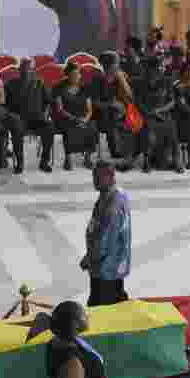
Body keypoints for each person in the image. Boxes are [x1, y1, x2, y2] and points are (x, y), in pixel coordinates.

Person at [81, 161, 131, 307]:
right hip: (108, 264)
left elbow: (106, 239)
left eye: (98, 177)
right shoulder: (109, 194)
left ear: (110, 176)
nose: (94, 181)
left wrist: (90, 258)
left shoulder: (113, 203)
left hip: (107, 267)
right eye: (93, 176)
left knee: (103, 307)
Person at [5, 57, 56, 173]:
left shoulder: (39, 83)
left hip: (37, 119)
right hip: (19, 119)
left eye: (29, 69)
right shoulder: (11, 84)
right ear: (19, 70)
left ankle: (44, 161)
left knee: (49, 127)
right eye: (23, 69)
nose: (26, 71)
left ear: (33, 70)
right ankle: (20, 162)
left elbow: (48, 102)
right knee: (16, 129)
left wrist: (45, 114)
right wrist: (12, 115)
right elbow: (5, 105)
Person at [135, 54, 181, 173]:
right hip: (147, 114)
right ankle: (147, 161)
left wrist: (159, 111)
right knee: (148, 131)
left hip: (163, 113)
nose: (161, 69)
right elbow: (138, 103)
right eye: (159, 67)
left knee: (172, 129)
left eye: (161, 67)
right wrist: (149, 112)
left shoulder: (167, 81)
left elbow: (172, 102)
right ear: (150, 69)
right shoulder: (141, 83)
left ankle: (177, 160)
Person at [88, 51, 133, 161]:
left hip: (120, 113)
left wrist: (122, 80)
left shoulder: (121, 77)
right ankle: (116, 150)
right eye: (116, 63)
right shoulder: (97, 80)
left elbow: (130, 96)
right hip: (101, 115)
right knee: (111, 114)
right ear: (109, 65)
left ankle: (128, 150)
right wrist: (110, 104)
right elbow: (94, 103)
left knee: (126, 117)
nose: (118, 65)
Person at [52, 62, 99, 171]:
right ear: (67, 75)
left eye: (78, 74)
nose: (76, 77)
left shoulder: (85, 88)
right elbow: (60, 109)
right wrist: (74, 119)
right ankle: (68, 158)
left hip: (83, 117)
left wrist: (85, 119)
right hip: (65, 117)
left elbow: (89, 109)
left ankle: (88, 157)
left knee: (92, 126)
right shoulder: (58, 87)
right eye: (73, 74)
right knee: (69, 128)